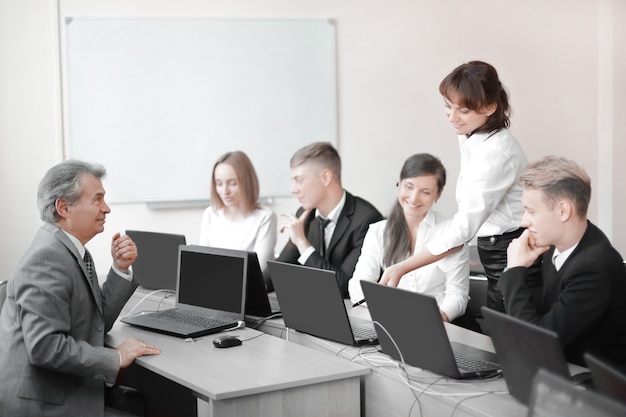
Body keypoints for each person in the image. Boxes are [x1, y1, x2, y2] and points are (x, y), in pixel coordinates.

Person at [0, 160, 160, 417]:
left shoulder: (67, 249)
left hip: (62, 386)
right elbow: (45, 347)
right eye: (97, 199)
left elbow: (97, 322)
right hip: (43, 401)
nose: (106, 209)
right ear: (63, 207)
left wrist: (119, 268)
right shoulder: (47, 259)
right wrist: (116, 358)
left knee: (138, 401)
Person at [381, 61, 541, 313]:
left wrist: (404, 266)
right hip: (494, 249)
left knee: (510, 340)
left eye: (463, 110)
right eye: (448, 106)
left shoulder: (496, 152)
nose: (452, 117)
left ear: (490, 107)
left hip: (511, 251)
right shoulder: (471, 133)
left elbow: (462, 229)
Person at [499, 155, 626, 369]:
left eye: (531, 211)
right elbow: (535, 320)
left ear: (563, 211)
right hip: (560, 372)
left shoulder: (593, 268)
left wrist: (515, 270)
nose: (524, 221)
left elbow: (535, 345)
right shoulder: (554, 249)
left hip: (596, 392)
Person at [348, 154, 470, 322]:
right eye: (409, 187)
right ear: (399, 185)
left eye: (425, 192)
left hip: (438, 323)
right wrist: (385, 306)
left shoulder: (452, 232)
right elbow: (357, 286)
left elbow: (457, 294)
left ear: (438, 194)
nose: (413, 198)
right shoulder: (378, 231)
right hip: (392, 320)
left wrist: (440, 317)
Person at [272, 142, 383, 297]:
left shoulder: (367, 220)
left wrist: (302, 243)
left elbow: (345, 286)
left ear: (325, 177)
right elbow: (277, 273)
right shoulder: (305, 213)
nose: (293, 189)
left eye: (299, 180)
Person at [199, 151, 277, 274]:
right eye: (219, 184)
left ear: (247, 183)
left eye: (232, 183)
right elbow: (201, 261)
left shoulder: (264, 217)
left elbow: (257, 269)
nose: (225, 191)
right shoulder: (210, 213)